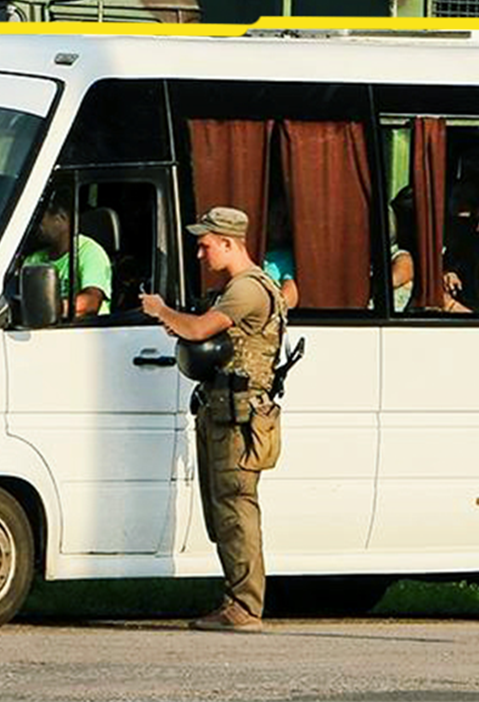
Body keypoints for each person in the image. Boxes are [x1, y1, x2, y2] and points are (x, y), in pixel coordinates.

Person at [140, 206, 285, 632]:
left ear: (228, 242)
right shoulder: (238, 288)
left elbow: (202, 330)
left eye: (205, 245)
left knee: (236, 510)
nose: (201, 254)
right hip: (224, 412)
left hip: (240, 419)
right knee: (223, 510)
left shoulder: (248, 289)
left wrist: (162, 311)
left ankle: (245, 607)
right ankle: (236, 600)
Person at [24, 198, 112, 318]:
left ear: (60, 218)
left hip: (82, 330)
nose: (36, 226)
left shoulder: (90, 252)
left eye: (41, 219)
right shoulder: (34, 259)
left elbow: (90, 302)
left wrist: (51, 309)